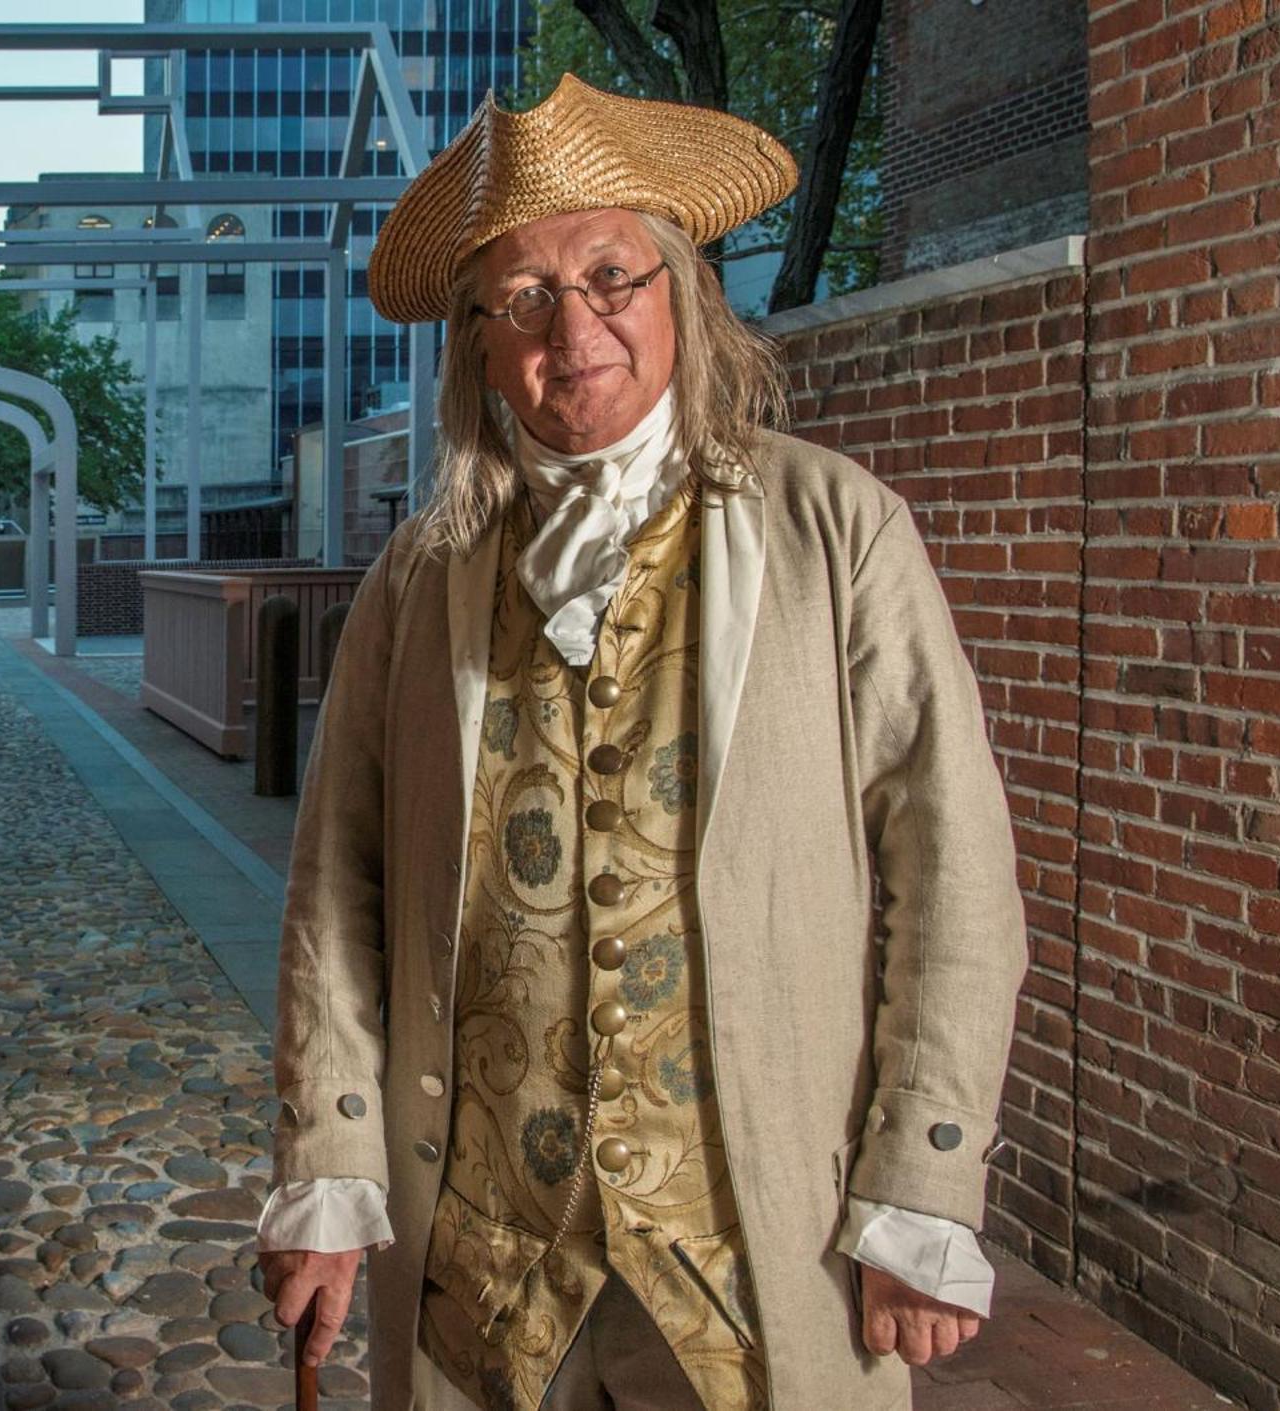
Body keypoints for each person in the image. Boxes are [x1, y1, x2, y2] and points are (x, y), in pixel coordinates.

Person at [253, 74, 1029, 1411]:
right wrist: (327, 1169)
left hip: (761, 1260)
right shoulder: (416, 575)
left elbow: (952, 875)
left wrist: (922, 1182)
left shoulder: (837, 530)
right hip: (481, 1265)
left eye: (613, 275)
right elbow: (336, 893)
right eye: (525, 297)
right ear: (482, 348)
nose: (578, 325)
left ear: (679, 294)